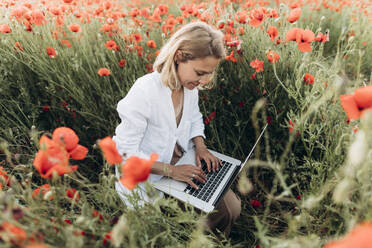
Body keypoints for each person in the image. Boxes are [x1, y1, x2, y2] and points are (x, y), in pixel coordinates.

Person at [113, 21, 241, 238]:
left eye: (209, 74)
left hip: (183, 165)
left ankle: (198, 232)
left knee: (231, 209)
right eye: (200, 72)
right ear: (179, 56)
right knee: (209, 218)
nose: (204, 81)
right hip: (149, 181)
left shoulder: (190, 87)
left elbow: (194, 118)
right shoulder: (145, 91)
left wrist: (200, 147)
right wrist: (171, 171)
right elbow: (124, 155)